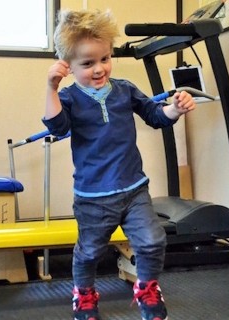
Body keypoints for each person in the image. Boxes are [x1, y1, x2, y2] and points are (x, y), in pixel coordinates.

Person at [42, 9, 196, 320]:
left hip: (134, 190)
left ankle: (147, 289)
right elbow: (58, 127)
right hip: (93, 197)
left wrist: (175, 110)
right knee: (88, 253)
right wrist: (52, 88)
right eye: (87, 63)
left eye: (104, 59)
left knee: (153, 241)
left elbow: (155, 116)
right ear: (68, 66)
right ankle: (84, 296)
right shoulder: (70, 97)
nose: (99, 69)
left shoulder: (125, 89)